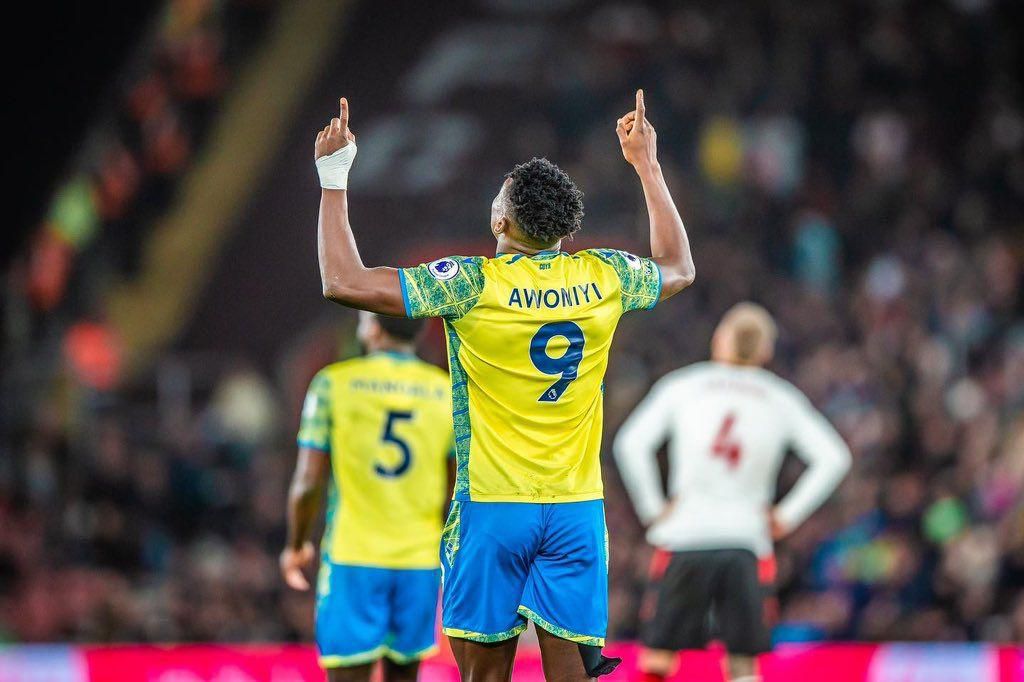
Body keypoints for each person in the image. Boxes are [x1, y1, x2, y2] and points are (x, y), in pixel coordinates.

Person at [309, 90, 695, 681]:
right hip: (576, 508)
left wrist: (333, 178)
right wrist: (647, 164)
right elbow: (679, 269)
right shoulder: (605, 276)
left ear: (501, 221)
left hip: (492, 508)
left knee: (485, 676)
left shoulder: (470, 285)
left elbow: (343, 281)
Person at [613, 302, 852, 682]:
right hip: (746, 539)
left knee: (659, 657)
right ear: (766, 351)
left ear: (719, 340)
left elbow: (630, 444)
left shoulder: (683, 385)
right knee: (742, 662)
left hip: (684, 535)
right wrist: (787, 515)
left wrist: (652, 509)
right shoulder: (780, 397)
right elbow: (834, 458)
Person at [280, 312, 454, 682]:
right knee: (405, 676)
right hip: (420, 562)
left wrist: (296, 545)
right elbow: (455, 489)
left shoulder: (333, 384)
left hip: (353, 556)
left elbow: (308, 481)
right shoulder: (445, 392)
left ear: (373, 327)